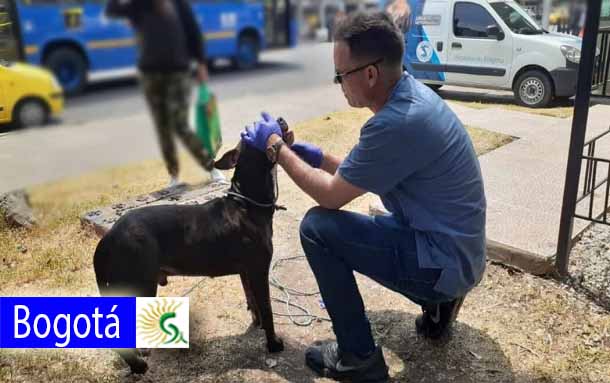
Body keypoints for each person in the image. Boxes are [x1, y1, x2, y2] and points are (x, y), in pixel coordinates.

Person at [241, 12, 486, 382]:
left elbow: (330, 197)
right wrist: (316, 156)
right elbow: (362, 175)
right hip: (457, 251)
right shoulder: (412, 98)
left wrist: (276, 148)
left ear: (369, 74)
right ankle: (440, 307)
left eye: (340, 75)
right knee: (375, 225)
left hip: (444, 260)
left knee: (317, 228)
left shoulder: (395, 123)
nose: (338, 83)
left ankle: (359, 359)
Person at [106, 0, 223, 187]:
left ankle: (210, 167)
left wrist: (201, 63)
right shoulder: (139, 5)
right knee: (162, 127)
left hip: (178, 71)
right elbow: (112, 10)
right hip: (150, 74)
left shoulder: (178, 4)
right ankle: (174, 175)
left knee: (179, 124)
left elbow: (193, 31)